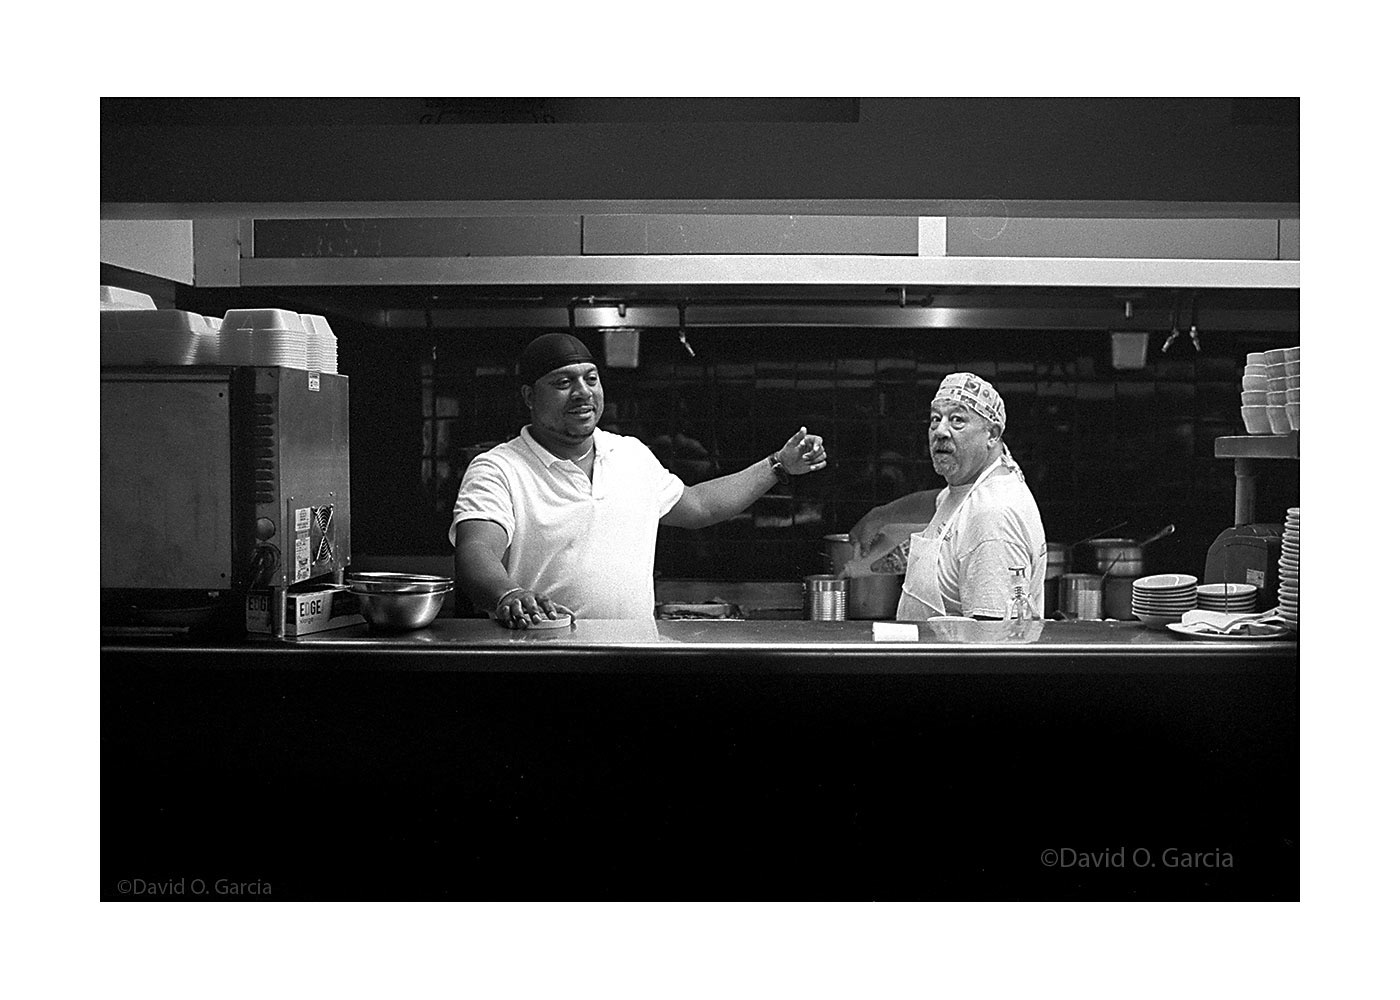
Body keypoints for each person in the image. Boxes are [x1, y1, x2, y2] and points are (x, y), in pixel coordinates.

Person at [450, 333, 827, 627]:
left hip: (632, 657)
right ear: (529, 396)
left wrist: (778, 465)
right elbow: (477, 550)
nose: (583, 392)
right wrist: (508, 594)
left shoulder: (629, 454)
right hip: (542, 656)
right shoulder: (499, 468)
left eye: (591, 379)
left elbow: (699, 506)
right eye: (563, 382)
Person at [848, 372, 1046, 621]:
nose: (940, 431)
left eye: (957, 420)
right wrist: (880, 516)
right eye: (935, 419)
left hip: (954, 649)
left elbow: (993, 636)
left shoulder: (992, 518)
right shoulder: (970, 488)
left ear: (992, 434)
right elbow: (939, 502)